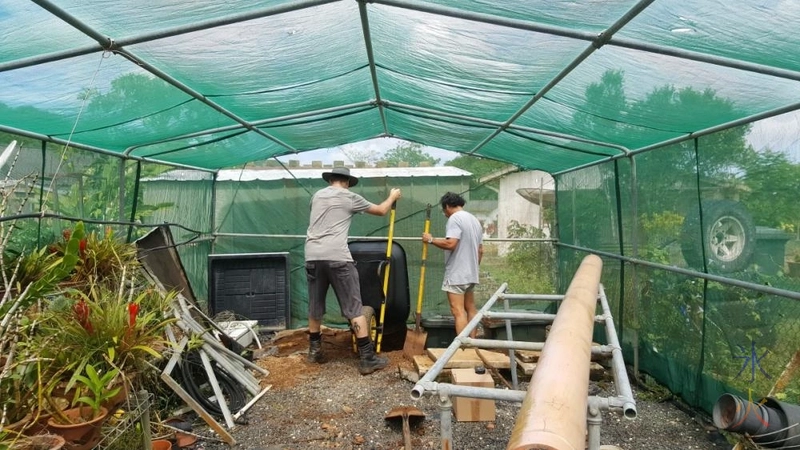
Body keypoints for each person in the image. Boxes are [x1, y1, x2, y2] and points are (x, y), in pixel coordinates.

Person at [305, 167, 402, 375]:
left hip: (312, 255)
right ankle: (367, 358)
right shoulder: (349, 197)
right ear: (347, 182)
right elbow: (381, 211)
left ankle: (314, 351)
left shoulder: (317, 196)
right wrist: (392, 197)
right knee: (354, 308)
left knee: (315, 305)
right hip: (338, 257)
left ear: (330, 180)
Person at [422, 192, 483, 338]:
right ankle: (472, 344)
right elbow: (481, 250)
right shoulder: (474, 220)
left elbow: (451, 243)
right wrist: (473, 267)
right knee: (471, 309)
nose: (445, 214)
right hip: (471, 273)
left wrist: (430, 240)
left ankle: (462, 347)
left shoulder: (455, 219)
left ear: (448, 206)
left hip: (457, 273)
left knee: (458, 310)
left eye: (444, 211)